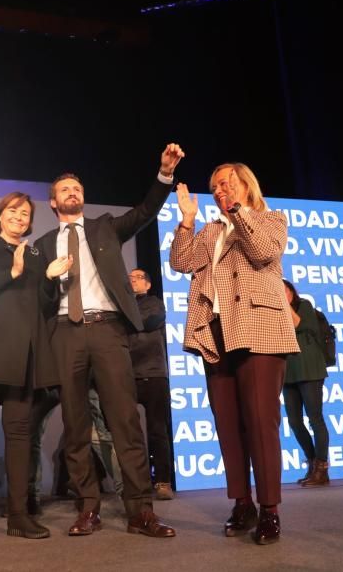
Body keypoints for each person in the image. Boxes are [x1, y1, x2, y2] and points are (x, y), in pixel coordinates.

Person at [33, 143, 184, 539]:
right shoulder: (44, 244)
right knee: (76, 425)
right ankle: (88, 508)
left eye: (77, 189)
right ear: (53, 202)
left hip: (107, 330)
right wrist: (48, 278)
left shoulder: (104, 227)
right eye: (64, 190)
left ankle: (141, 512)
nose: (72, 193)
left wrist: (164, 175)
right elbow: (41, 301)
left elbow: (145, 211)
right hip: (65, 333)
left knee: (125, 422)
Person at [169, 163, 298, 546]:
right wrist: (187, 221)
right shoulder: (210, 230)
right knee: (228, 424)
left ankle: (270, 509)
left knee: (260, 420)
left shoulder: (271, 218)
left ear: (245, 184)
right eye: (214, 186)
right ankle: (243, 503)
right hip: (217, 332)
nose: (219, 189)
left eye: (226, 182)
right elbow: (180, 262)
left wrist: (237, 211)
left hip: (260, 330)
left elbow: (262, 252)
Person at [0, 192, 70, 542]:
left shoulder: (37, 254)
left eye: (25, 213)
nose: (20, 217)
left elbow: (42, 306)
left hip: (24, 358)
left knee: (20, 436)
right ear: (0, 215)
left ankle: (18, 514)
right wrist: (13, 271)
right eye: (13, 211)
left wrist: (50, 278)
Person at [127, 269, 175, 500]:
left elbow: (151, 320)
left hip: (154, 374)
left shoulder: (154, 303)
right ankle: (137, 483)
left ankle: (163, 482)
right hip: (127, 376)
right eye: (129, 278)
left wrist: (125, 322)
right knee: (128, 433)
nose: (132, 280)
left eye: (137, 277)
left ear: (147, 284)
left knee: (157, 431)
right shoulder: (120, 304)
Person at [280, 279, 331, 487]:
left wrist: (283, 303)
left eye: (283, 289)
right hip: (287, 372)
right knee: (294, 421)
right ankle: (311, 463)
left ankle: (322, 468)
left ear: (291, 291)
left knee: (315, 418)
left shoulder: (305, 306)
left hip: (310, 369)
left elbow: (296, 324)